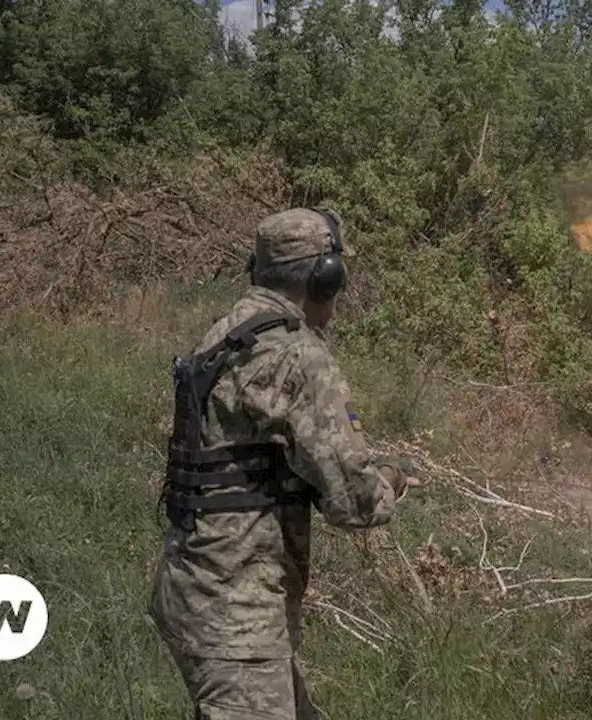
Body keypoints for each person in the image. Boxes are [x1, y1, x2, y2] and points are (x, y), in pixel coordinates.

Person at [149, 207, 417, 720]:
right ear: (325, 277)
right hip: (237, 614)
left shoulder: (229, 331)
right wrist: (391, 479)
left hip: (195, 587)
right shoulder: (297, 355)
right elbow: (355, 502)